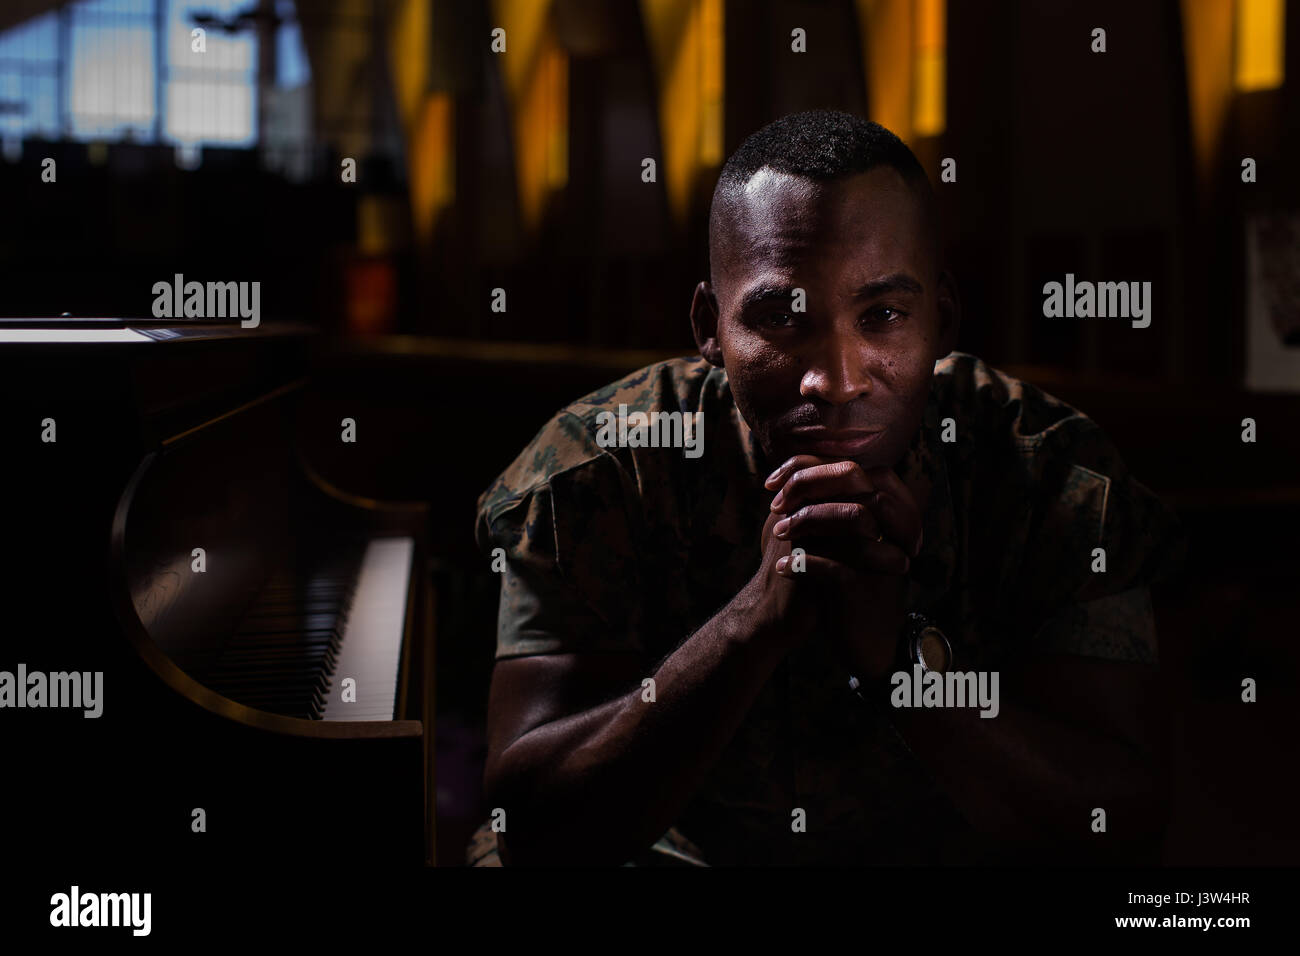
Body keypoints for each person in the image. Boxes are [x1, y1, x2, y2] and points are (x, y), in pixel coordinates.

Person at [468, 110, 1187, 866]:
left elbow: (1122, 826)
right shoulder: (601, 466)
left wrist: (899, 670)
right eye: (780, 318)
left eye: (882, 315)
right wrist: (752, 624)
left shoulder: (1052, 477)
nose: (835, 381)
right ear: (710, 326)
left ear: (939, 322)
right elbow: (530, 822)